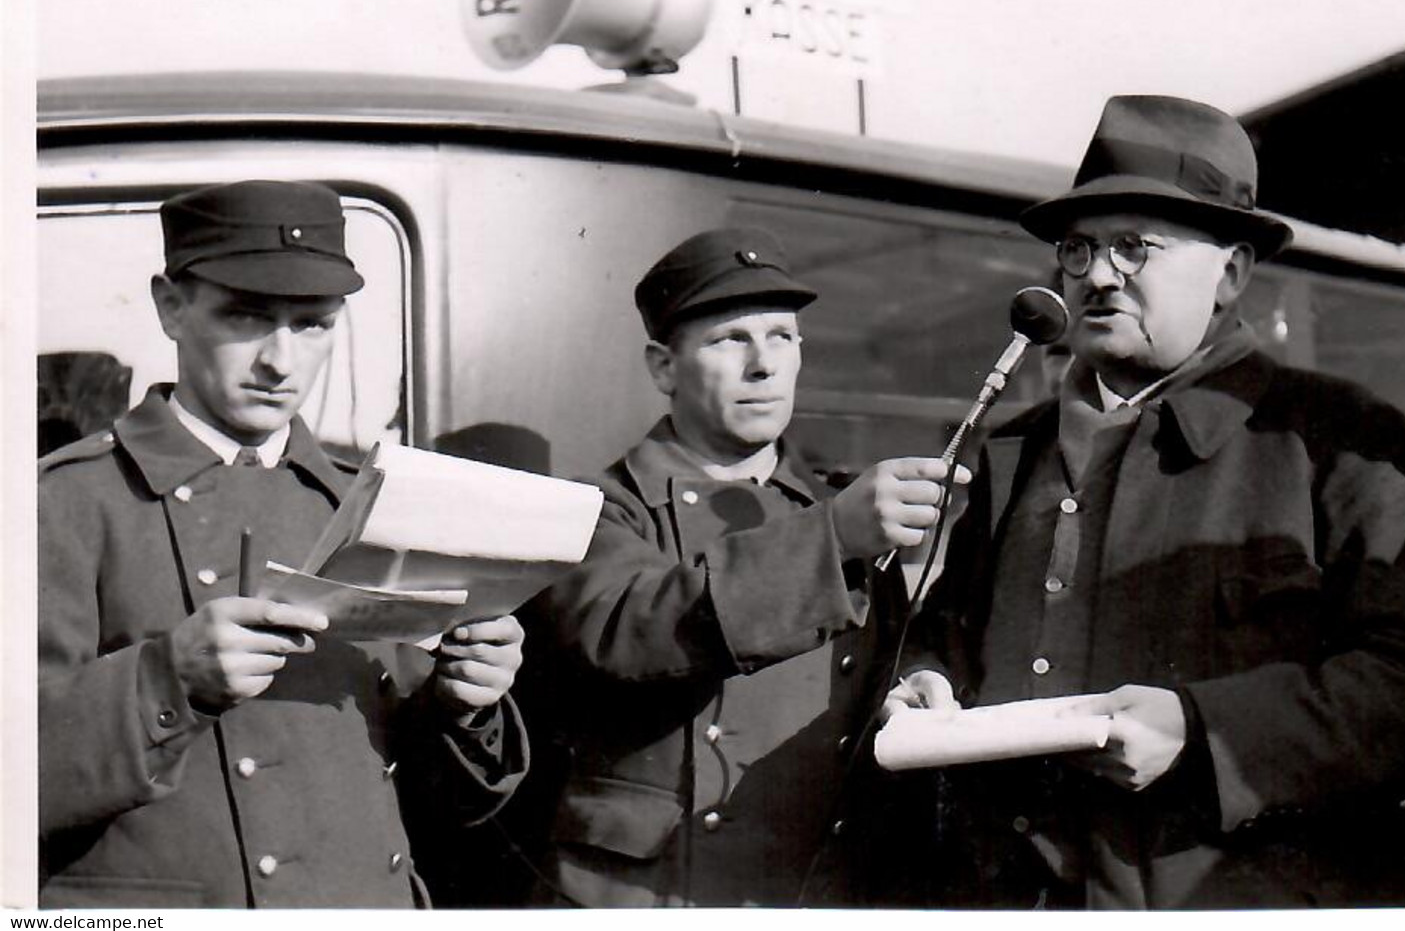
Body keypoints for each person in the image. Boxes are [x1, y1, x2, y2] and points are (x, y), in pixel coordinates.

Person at [887, 96, 1405, 908]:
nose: (1095, 274)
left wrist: (1201, 730)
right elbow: (943, 634)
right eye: (1078, 248)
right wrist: (924, 679)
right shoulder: (1011, 448)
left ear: (1229, 273)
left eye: (1133, 247)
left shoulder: (1336, 437)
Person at [37, 180, 530, 908]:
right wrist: (169, 678)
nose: (280, 360)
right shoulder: (64, 502)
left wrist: (466, 701)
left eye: (312, 324)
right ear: (170, 306)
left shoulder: (370, 505)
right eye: (246, 315)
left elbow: (427, 800)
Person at [506, 226, 965, 907]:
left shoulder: (834, 509)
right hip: (656, 892)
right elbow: (632, 625)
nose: (764, 365)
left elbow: (877, 664)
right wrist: (832, 536)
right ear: (663, 367)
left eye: (781, 337)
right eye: (730, 340)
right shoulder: (595, 509)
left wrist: (907, 686)